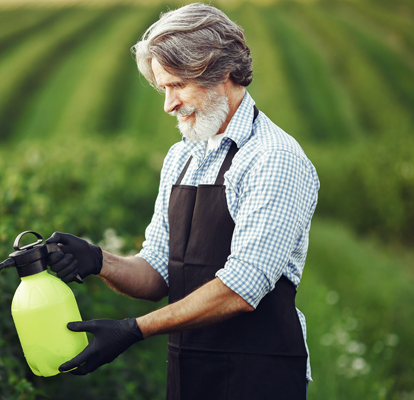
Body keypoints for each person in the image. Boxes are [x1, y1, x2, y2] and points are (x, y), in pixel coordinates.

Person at [45, 3, 320, 399]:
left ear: (222, 71)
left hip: (257, 376)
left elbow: (241, 289)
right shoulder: (183, 157)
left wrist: (133, 330)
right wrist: (98, 260)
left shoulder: (272, 158)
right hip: (191, 374)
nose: (168, 104)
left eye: (178, 85)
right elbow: (158, 271)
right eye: (164, 88)